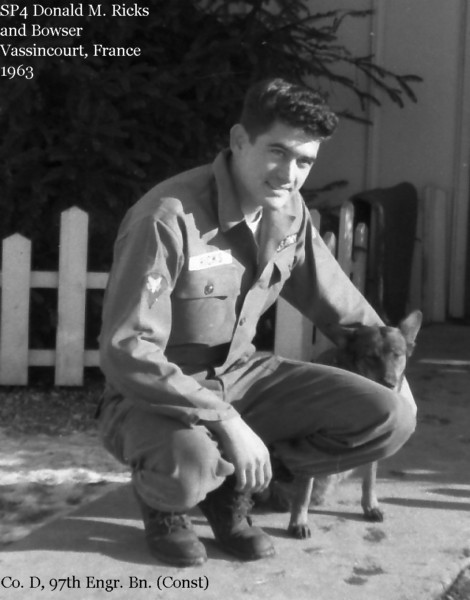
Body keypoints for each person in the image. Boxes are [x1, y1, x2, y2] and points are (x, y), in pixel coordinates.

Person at [97, 78, 416, 567]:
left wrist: (398, 374)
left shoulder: (287, 211)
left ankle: (233, 486)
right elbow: (128, 348)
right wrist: (225, 420)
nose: (289, 174)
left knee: (390, 416)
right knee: (191, 466)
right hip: (155, 394)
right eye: (277, 152)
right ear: (239, 140)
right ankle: (168, 504)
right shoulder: (167, 219)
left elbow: (339, 303)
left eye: (304, 161)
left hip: (243, 377)